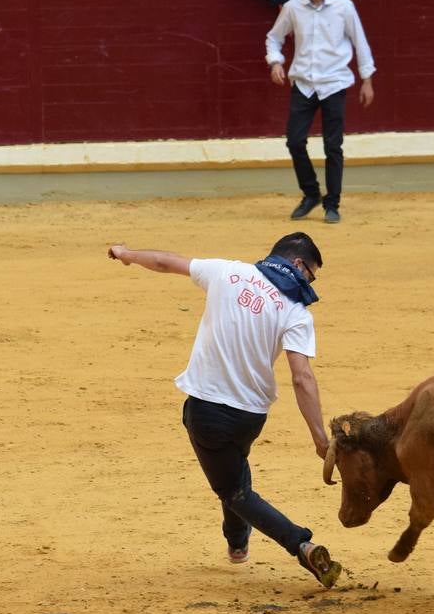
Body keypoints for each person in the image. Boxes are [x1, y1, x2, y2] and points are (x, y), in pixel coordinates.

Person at [107, 233, 343, 589]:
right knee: (233, 472)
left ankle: (302, 545)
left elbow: (164, 262)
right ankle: (237, 543)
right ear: (297, 264)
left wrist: (127, 254)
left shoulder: (227, 273)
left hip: (207, 412)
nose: (310, 284)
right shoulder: (295, 312)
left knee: (236, 493)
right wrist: (319, 438)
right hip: (250, 416)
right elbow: (302, 378)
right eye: (311, 274)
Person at [265, 0, 376, 225]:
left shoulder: (343, 6)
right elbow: (274, 37)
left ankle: (332, 204)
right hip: (304, 83)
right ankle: (311, 193)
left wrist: (367, 79)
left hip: (334, 83)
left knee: (333, 145)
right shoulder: (293, 7)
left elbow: (360, 41)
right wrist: (275, 61)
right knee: (295, 141)